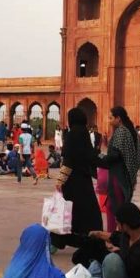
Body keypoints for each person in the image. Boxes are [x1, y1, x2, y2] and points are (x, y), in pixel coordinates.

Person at [50, 107, 104, 258]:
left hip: (72, 182)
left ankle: (56, 241)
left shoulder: (72, 134)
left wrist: (60, 180)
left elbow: (68, 161)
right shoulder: (84, 133)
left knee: (66, 212)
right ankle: (92, 239)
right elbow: (90, 156)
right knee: (88, 213)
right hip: (84, 181)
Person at [97, 106, 140, 231]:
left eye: (110, 118)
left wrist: (98, 159)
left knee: (115, 208)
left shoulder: (121, 131)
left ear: (118, 118)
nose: (109, 121)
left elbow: (115, 155)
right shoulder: (131, 131)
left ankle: (116, 237)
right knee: (118, 206)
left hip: (118, 175)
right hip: (127, 176)